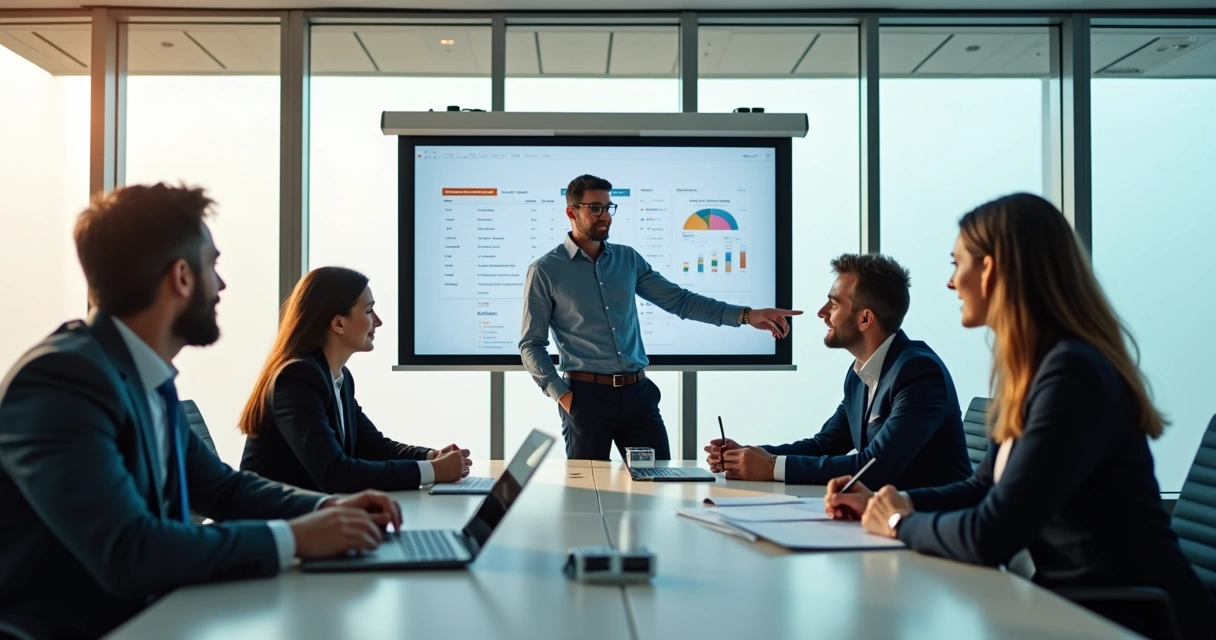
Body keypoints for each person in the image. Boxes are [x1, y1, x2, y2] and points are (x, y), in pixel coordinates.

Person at [0, 184, 403, 639]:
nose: (222, 284)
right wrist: (298, 538)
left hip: (155, 617)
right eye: (213, 265)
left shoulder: (143, 377)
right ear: (182, 277)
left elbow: (223, 489)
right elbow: (130, 551)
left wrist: (331, 506)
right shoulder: (62, 381)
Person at [825, 193, 1216, 639]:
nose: (951, 283)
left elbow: (993, 533)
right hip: (1061, 609)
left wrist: (898, 523)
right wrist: (887, 502)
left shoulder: (1072, 374)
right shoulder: (1032, 370)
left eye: (957, 264)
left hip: (1129, 622)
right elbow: (982, 489)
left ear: (990, 269)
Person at [520, 174, 802, 460]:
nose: (605, 216)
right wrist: (562, 396)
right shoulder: (545, 270)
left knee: (658, 483)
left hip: (637, 396)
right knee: (588, 491)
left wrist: (746, 315)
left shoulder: (628, 260)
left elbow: (680, 301)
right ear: (571, 212)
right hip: (585, 398)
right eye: (595, 208)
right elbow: (531, 344)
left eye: (608, 207)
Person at [704, 253, 972, 489]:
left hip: (932, 526)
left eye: (833, 304)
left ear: (865, 318)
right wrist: (749, 456)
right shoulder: (860, 374)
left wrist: (771, 467)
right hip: (881, 519)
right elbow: (824, 445)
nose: (821, 312)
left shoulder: (919, 373)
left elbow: (874, 467)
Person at [239, 266, 472, 492]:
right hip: (267, 525)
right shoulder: (297, 379)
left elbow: (371, 445)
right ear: (338, 323)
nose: (378, 321)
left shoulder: (338, 377)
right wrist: (432, 471)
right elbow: (335, 473)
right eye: (369, 311)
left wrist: (431, 456)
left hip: (308, 519)